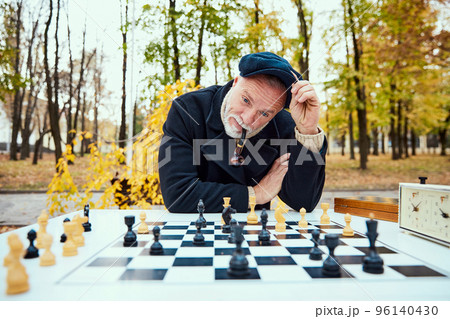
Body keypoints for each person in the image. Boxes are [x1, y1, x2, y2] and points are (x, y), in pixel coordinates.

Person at [158, 52, 326, 213]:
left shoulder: (284, 125)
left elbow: (303, 202)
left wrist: (307, 130)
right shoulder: (188, 110)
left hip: (252, 235)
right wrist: (255, 194)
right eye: (246, 100)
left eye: (265, 113)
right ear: (235, 82)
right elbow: (178, 194)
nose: (247, 119)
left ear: (278, 112)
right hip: (195, 234)